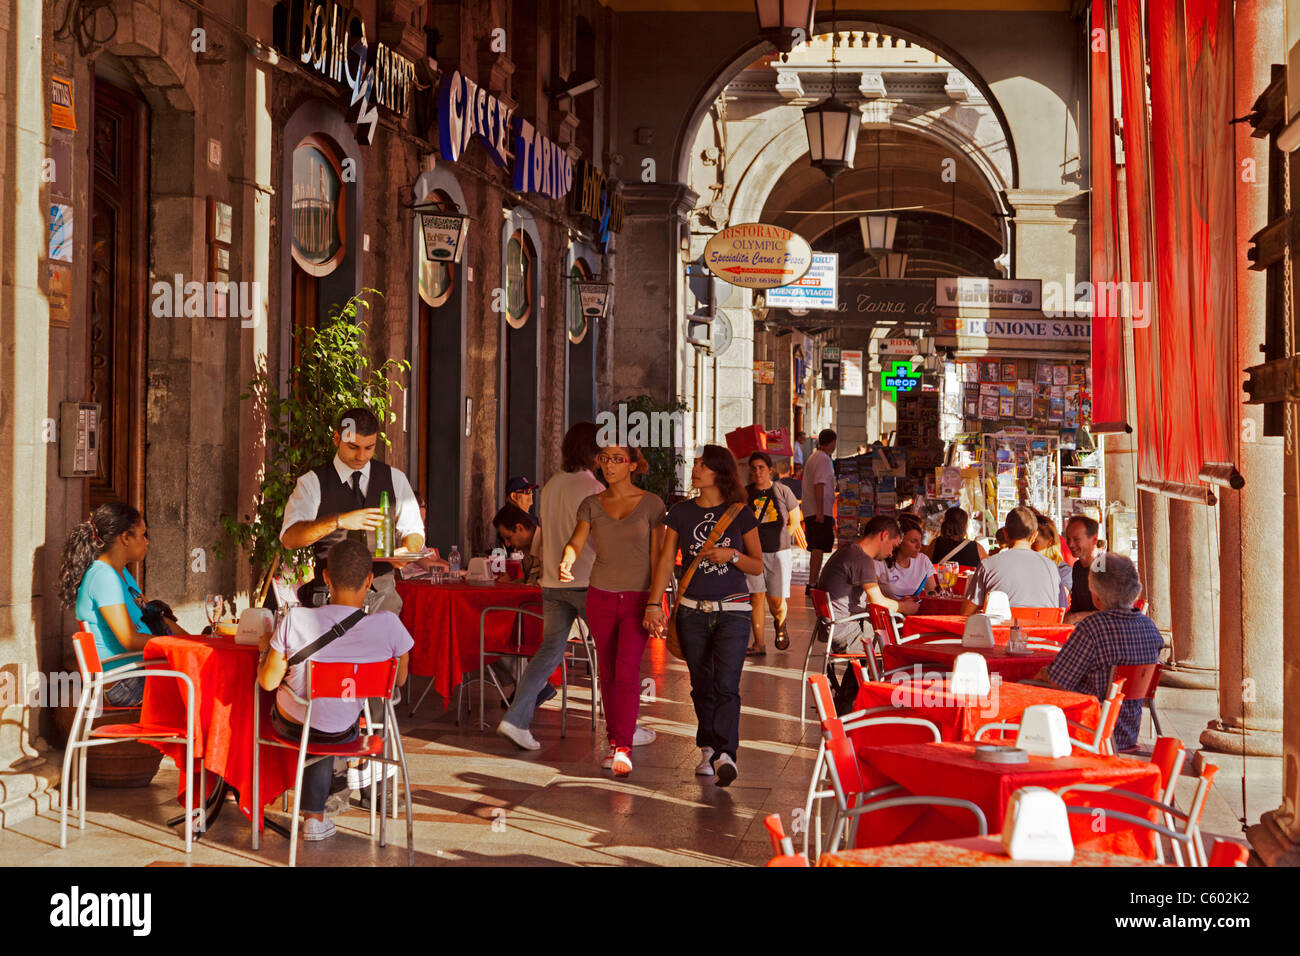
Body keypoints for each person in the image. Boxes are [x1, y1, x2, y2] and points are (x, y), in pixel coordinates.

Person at [257, 539, 413, 842]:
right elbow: (401, 679)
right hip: (347, 732)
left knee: (310, 710)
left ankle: (295, 807)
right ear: (369, 580)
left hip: (291, 727)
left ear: (326, 577)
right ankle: (321, 814)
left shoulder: (297, 619)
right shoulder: (389, 625)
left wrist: (267, 649)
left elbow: (267, 682)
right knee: (332, 715)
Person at [645, 445, 762, 786]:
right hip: (692, 611)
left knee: (727, 685)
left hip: (734, 611)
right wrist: (654, 604)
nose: (695, 469)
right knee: (700, 685)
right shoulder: (680, 512)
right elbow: (667, 560)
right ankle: (706, 747)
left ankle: (727, 753)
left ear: (719, 472)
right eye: (695, 464)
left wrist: (732, 555)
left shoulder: (741, 513)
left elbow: (757, 564)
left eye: (701, 464)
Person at [559, 443, 666, 777]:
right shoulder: (592, 504)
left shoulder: (651, 504)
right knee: (606, 672)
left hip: (638, 600)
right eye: (603, 459)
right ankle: (613, 741)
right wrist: (568, 557)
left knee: (626, 670)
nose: (609, 465)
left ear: (633, 465)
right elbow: (578, 539)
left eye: (617, 459)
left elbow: (660, 557)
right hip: (600, 596)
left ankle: (623, 746)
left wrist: (654, 602)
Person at [497, 423, 604, 751]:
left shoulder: (554, 484)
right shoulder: (595, 489)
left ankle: (516, 719)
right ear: (592, 451)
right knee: (613, 652)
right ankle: (623, 727)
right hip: (587, 580)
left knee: (547, 653)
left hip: (553, 583)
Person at [280, 407, 424, 614]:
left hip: (383, 597)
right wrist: (338, 521)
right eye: (353, 446)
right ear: (337, 438)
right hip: (329, 597)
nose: (361, 456)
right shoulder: (312, 483)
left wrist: (407, 551)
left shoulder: (395, 478)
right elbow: (289, 538)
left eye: (369, 448)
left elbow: (414, 532)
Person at [57, 503, 192, 707]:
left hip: (142, 668)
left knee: (210, 673)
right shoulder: (103, 576)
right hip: (124, 680)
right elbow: (129, 639)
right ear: (125, 538)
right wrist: (176, 647)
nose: (146, 542)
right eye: (142, 535)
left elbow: (152, 617)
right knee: (206, 684)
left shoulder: (121, 574)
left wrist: (194, 643)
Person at [1036, 553, 1162, 752]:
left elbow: (1058, 681)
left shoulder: (1093, 628)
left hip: (1087, 730)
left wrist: (1041, 673)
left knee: (1028, 687)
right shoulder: (1150, 628)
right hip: (1126, 733)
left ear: (1096, 594)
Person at [816, 516, 916, 709]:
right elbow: (877, 600)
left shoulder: (847, 551)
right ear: (884, 535)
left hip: (833, 628)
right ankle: (879, 705)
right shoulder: (861, 559)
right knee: (897, 645)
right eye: (892, 547)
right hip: (845, 630)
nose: (890, 554)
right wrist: (905, 607)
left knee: (883, 638)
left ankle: (848, 702)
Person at [743, 451, 802, 655]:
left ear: (770, 470)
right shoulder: (745, 493)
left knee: (776, 601)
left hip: (779, 553)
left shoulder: (782, 491)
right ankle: (759, 644)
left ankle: (780, 623)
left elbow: (795, 519)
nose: (757, 471)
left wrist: (783, 538)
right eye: (754, 468)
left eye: (761, 467)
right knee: (756, 597)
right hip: (753, 555)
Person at [960, 506, 1068, 615]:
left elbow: (966, 613)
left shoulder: (987, 565)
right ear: (1034, 536)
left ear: (1005, 534)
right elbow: (1061, 612)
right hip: (1043, 631)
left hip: (1001, 631)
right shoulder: (1052, 567)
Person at [802, 428, 838, 596]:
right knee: (818, 547)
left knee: (818, 547)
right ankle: (812, 583)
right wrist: (821, 512)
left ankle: (813, 581)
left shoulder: (815, 457)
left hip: (815, 510)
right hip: (818, 512)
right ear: (832, 442)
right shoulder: (822, 459)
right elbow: (819, 485)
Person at [876, 514, 938, 605]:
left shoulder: (923, 561)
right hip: (886, 615)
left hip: (914, 613)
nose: (919, 546)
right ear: (898, 541)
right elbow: (872, 598)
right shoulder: (880, 561)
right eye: (913, 541)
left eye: (920, 541)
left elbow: (932, 594)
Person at [1063, 514, 1102, 624]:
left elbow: (1112, 612)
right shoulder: (1077, 567)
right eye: (1068, 539)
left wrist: (1076, 617)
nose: (1070, 544)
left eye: (1076, 539)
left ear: (1094, 539)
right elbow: (1075, 606)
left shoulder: (1104, 566)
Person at [493, 503, 541, 585]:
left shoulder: (547, 545)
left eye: (508, 538)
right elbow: (527, 582)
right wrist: (508, 583)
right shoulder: (526, 549)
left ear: (519, 528)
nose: (507, 544)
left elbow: (541, 589)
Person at [1031, 511, 1073, 591]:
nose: (1030, 546)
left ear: (1050, 542)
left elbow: (1062, 599)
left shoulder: (1064, 570)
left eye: (1035, 542)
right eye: (1029, 541)